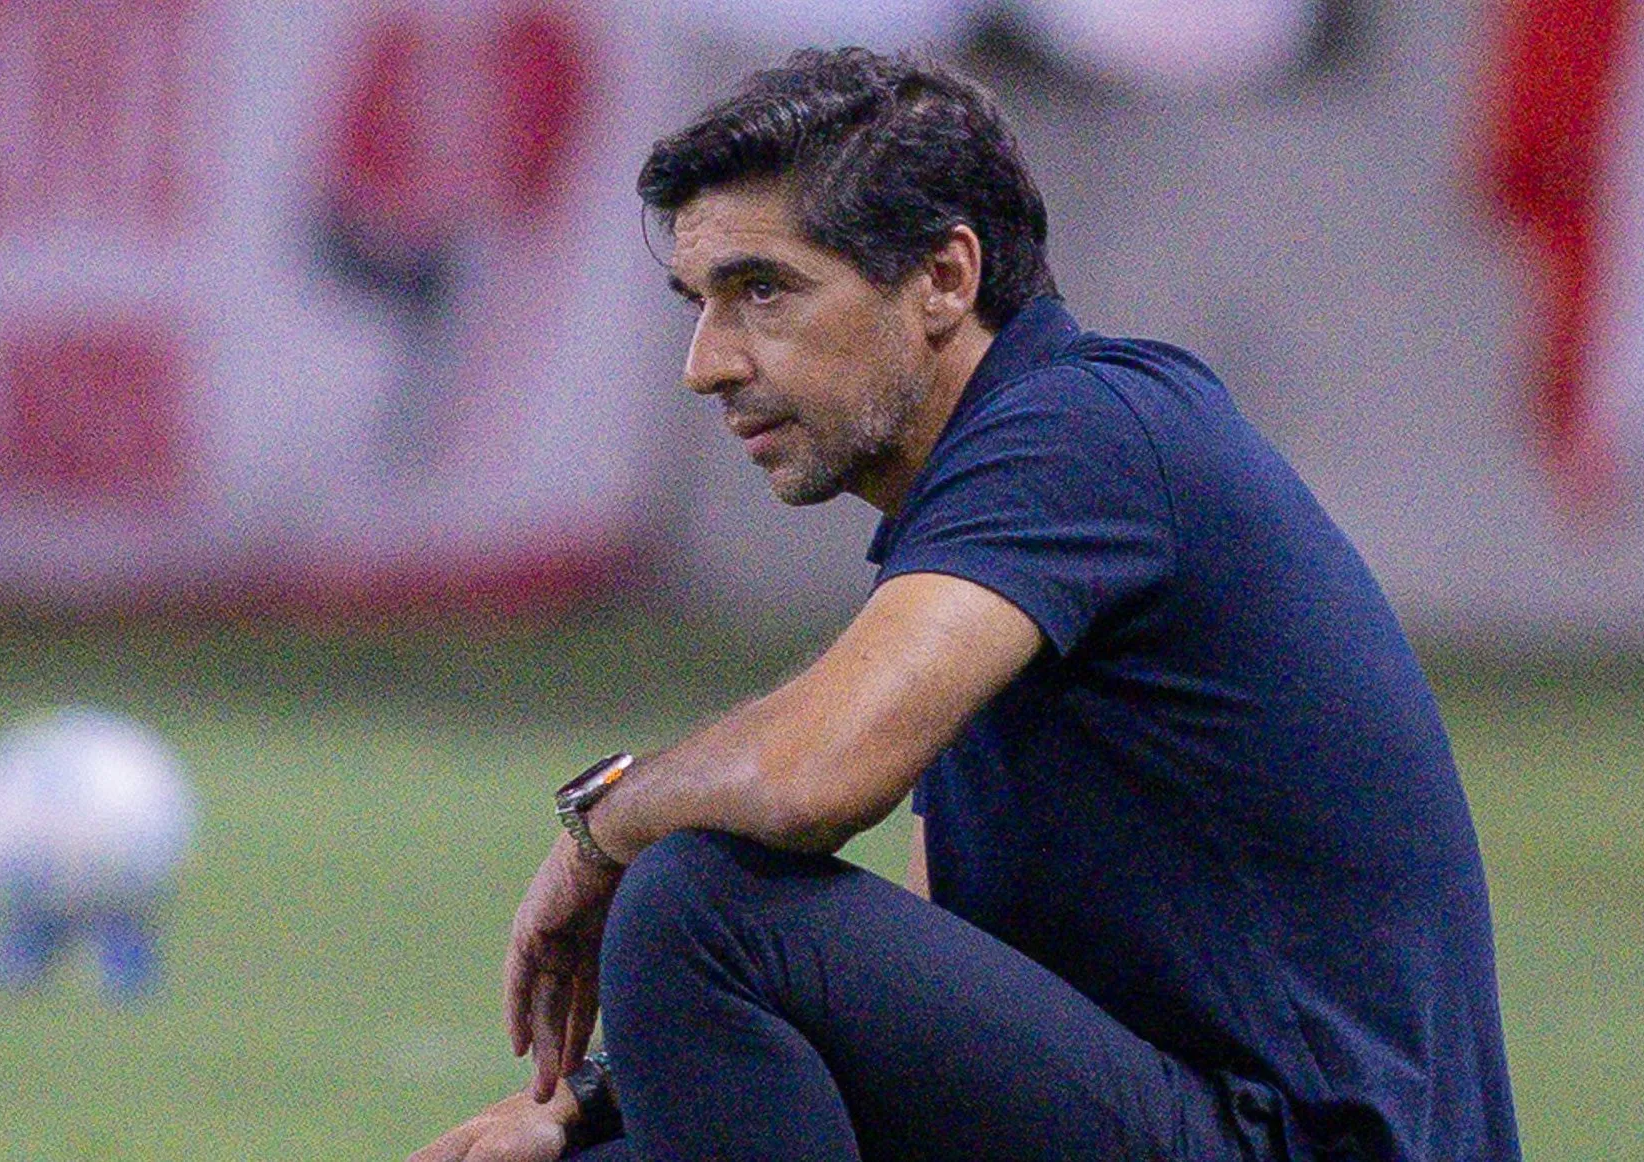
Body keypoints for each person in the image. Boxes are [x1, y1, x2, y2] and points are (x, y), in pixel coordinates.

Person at [411, 46, 1519, 1162]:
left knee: (693, 903)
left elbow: (810, 776)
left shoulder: (1084, 431)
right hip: (1200, 1125)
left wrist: (602, 831)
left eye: (763, 291)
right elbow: (933, 974)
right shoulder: (987, 514)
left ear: (944, 279)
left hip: (1293, 1140)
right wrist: (590, 1102)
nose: (706, 363)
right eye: (700, 303)